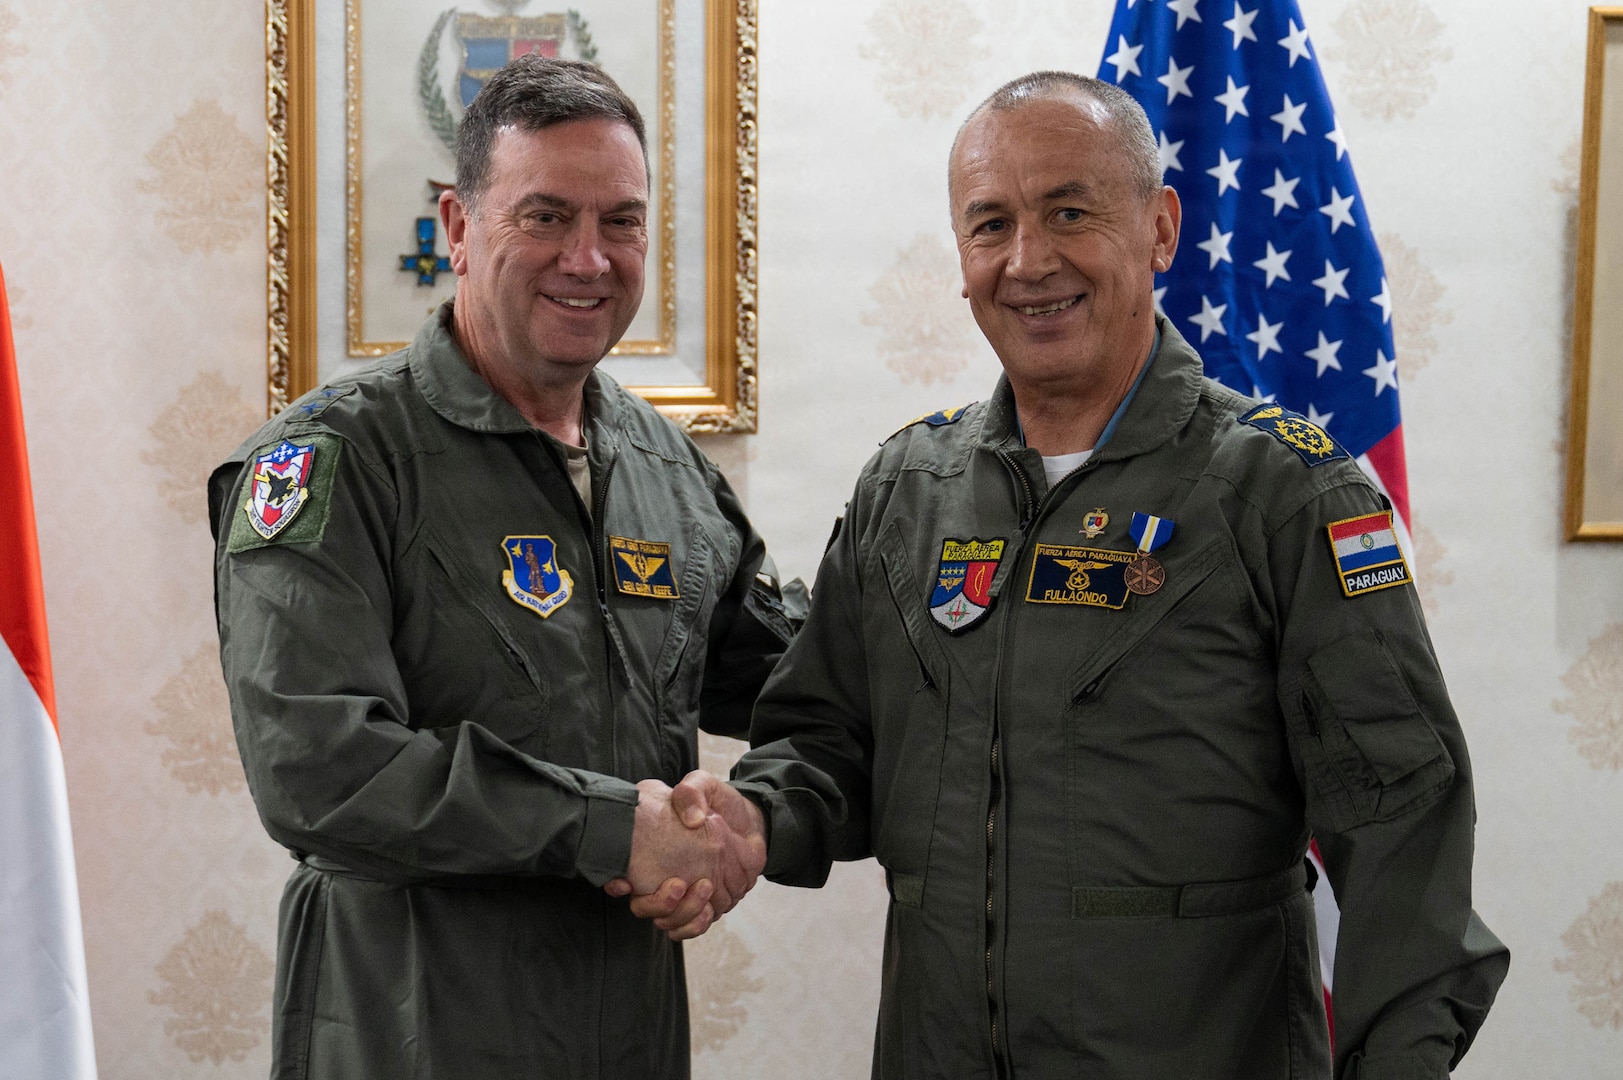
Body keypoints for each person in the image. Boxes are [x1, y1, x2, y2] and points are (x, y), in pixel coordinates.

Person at [650, 71, 1509, 1078]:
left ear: (1159, 227)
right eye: (990, 224)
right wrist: (756, 819)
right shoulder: (907, 491)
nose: (1028, 261)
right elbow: (829, 736)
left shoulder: (1283, 494)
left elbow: (1404, 831)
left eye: (1070, 212)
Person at [209, 56, 797, 1079]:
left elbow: (800, 678)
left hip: (627, 1032)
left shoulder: (666, 470)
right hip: (413, 1032)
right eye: (544, 216)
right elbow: (318, 768)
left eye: (621, 221)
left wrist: (753, 817)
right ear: (458, 226)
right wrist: (614, 829)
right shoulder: (333, 462)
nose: (588, 257)